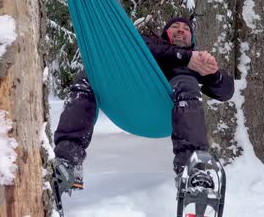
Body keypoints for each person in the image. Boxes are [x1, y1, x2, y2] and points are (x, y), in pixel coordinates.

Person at [53, 17, 235, 192]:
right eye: (175, 27)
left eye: (186, 29)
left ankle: (192, 169)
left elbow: (226, 92)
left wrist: (213, 73)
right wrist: (186, 56)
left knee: (186, 82)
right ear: (165, 34)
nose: (181, 30)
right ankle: (68, 161)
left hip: (169, 114)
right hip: (132, 101)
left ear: (191, 39)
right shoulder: (151, 44)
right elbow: (141, 46)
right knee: (90, 77)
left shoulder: (194, 65)